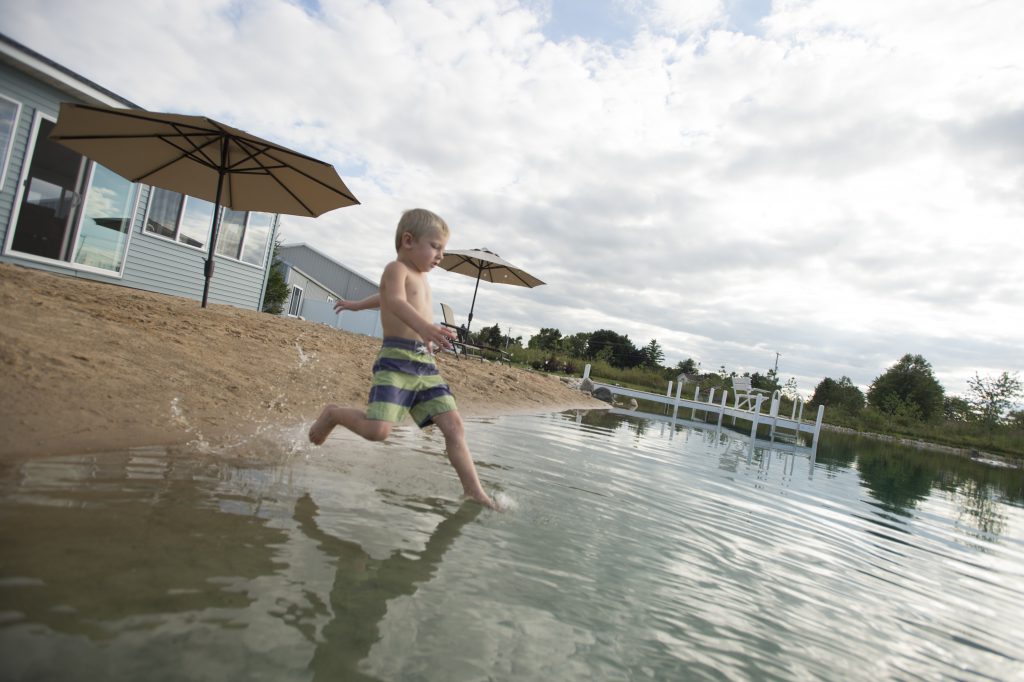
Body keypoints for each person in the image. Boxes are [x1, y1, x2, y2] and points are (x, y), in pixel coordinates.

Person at [308, 208, 496, 509]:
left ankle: (475, 492)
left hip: (424, 363)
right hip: (395, 361)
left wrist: (435, 331)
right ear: (408, 241)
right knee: (377, 431)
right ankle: (333, 414)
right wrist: (423, 326)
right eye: (435, 246)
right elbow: (392, 299)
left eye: (443, 250)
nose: (440, 255)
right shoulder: (396, 269)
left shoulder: (421, 277)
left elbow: (393, 301)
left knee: (454, 426)